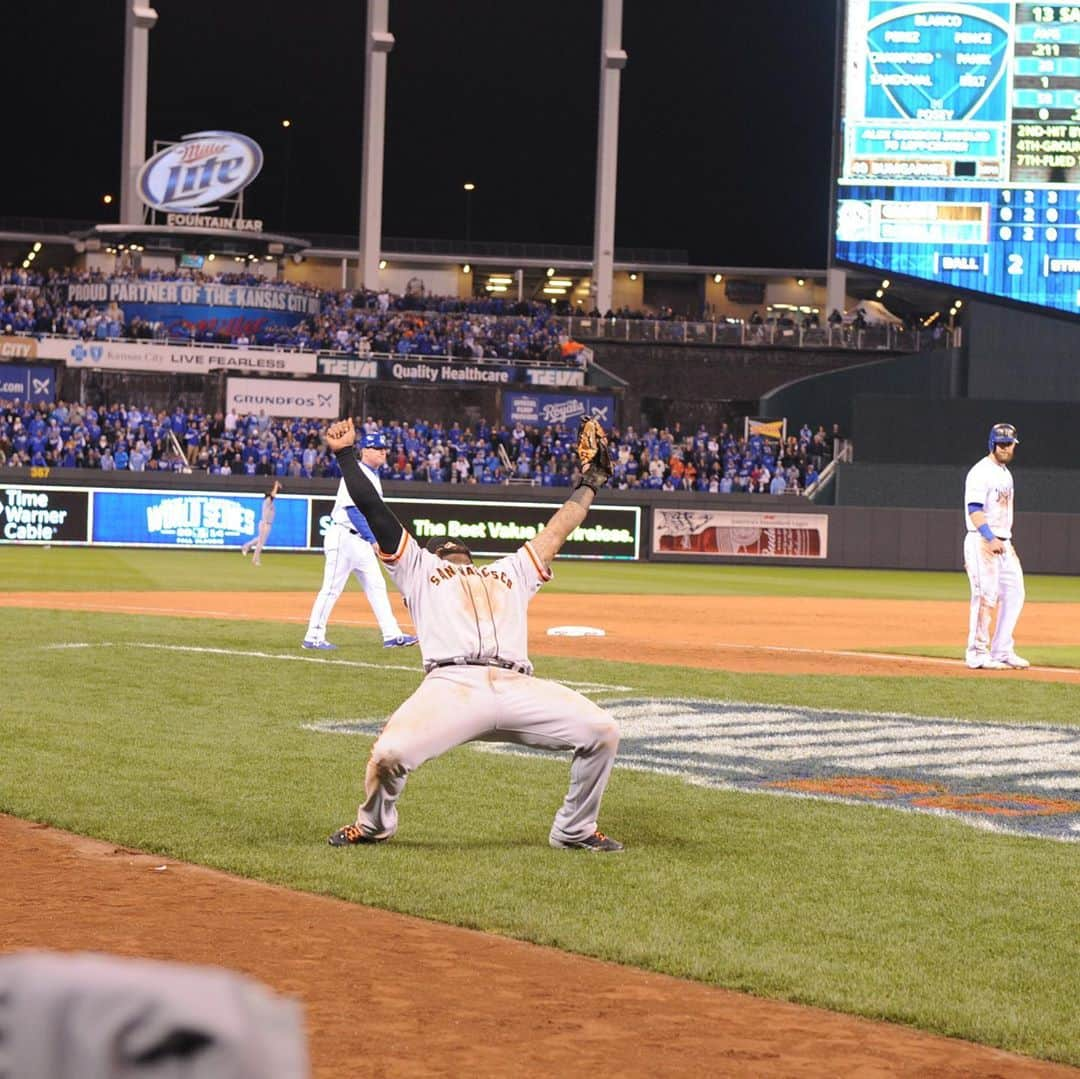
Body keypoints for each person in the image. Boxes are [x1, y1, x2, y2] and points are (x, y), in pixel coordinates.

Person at [323, 415, 623, 853]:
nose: (451, 551)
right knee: (389, 755)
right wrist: (347, 456)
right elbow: (374, 509)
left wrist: (590, 483)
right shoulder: (419, 569)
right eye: (444, 549)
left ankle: (574, 829)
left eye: (457, 550)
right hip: (450, 685)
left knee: (602, 731)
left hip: (517, 684)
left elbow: (559, 529)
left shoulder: (509, 570)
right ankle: (373, 825)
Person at [302, 431, 418, 650]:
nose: (384, 452)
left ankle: (391, 634)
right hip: (343, 537)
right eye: (378, 448)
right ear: (365, 450)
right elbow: (353, 510)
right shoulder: (355, 473)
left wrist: (371, 539)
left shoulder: (372, 476)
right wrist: (374, 540)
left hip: (360, 542)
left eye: (385, 449)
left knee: (377, 586)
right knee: (331, 589)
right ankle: (313, 637)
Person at [963, 423, 1028, 670]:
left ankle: (1002, 650)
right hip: (982, 539)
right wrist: (989, 538)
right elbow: (974, 509)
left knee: (1015, 593)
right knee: (985, 597)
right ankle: (977, 653)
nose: (1005, 448)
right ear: (992, 444)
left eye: (1009, 444)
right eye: (1001, 443)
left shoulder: (1005, 474)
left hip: (1003, 540)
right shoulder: (980, 472)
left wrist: (998, 540)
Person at [241, 480, 281, 566]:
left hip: (267, 524)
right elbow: (273, 495)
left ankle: (246, 546)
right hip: (265, 523)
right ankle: (255, 559)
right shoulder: (267, 501)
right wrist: (276, 486)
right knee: (261, 543)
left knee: (260, 540)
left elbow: (273, 496)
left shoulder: (270, 503)